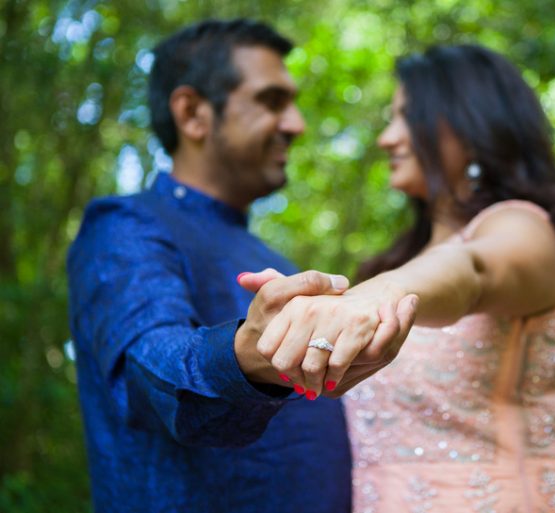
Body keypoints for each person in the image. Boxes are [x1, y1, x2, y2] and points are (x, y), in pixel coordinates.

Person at [66, 19, 415, 513]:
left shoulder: (276, 261)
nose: (296, 124)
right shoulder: (125, 226)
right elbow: (152, 372)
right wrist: (246, 358)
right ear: (192, 114)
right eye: (271, 101)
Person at [243, 45, 555, 512]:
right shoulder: (396, 262)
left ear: (472, 124)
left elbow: (471, 270)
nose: (387, 138)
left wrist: (377, 296)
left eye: (407, 117)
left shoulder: (523, 228)